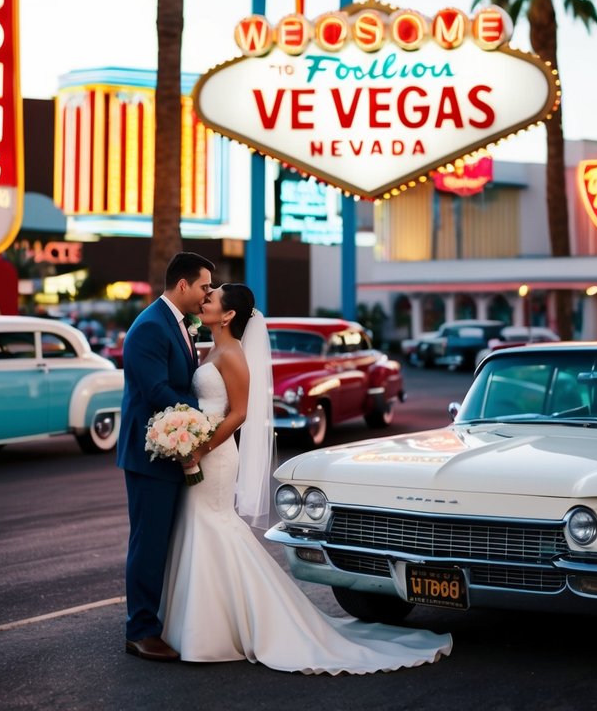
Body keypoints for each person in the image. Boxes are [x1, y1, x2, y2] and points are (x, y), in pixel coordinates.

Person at [160, 283, 452, 674]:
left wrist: (200, 447)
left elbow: (240, 413)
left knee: (212, 524)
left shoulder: (232, 354)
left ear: (228, 315)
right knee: (200, 526)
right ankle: (197, 625)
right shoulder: (212, 347)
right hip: (204, 446)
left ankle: (215, 630)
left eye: (211, 298)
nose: (205, 299)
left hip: (215, 452)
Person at [117, 251, 215, 661]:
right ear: (183, 286)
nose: (208, 295)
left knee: (163, 542)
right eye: (204, 287)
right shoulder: (150, 328)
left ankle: (156, 619)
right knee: (149, 543)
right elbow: (157, 391)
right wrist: (206, 417)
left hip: (170, 448)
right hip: (151, 455)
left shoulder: (178, 325)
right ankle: (140, 630)